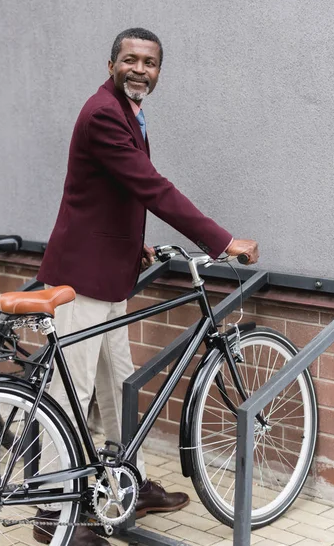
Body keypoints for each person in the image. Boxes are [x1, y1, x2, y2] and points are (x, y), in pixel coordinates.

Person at [34, 28, 259, 546]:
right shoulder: (102, 113)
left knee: (119, 386)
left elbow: (113, 187)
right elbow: (150, 185)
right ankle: (53, 514)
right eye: (130, 60)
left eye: (150, 63)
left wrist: (133, 244)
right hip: (80, 279)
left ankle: (122, 482)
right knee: (72, 393)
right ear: (111, 63)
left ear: (159, 71)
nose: (141, 69)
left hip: (109, 271)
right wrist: (222, 241)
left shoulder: (126, 109)